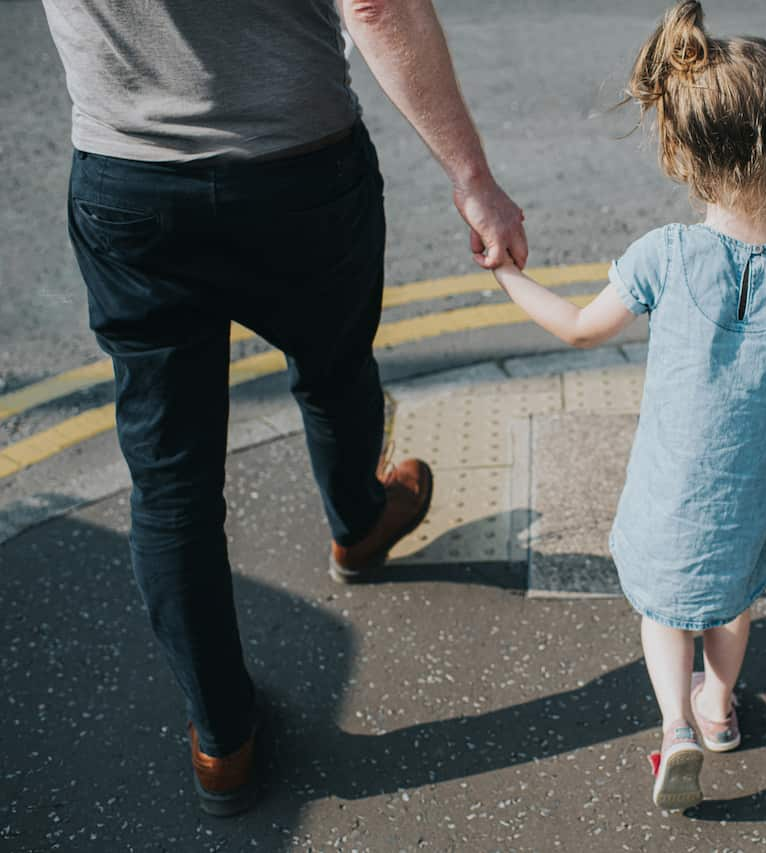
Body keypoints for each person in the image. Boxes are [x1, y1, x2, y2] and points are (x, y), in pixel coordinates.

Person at [38, 0, 526, 815]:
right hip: (298, 170)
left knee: (170, 482)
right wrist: (473, 181)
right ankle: (359, 522)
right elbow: (377, 5)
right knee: (333, 370)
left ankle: (222, 739)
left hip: (129, 181)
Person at [489, 1, 766, 810]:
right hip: (752, 483)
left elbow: (584, 329)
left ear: (679, 148)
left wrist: (509, 276)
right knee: (734, 598)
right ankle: (718, 708)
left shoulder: (666, 253)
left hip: (667, 489)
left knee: (665, 609)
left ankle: (674, 732)